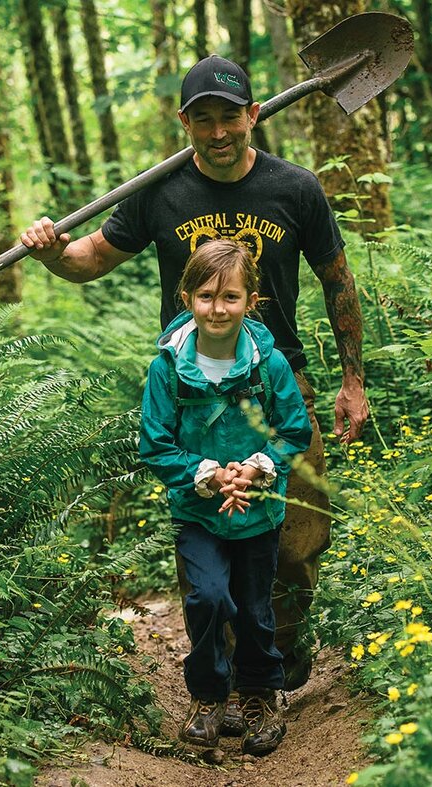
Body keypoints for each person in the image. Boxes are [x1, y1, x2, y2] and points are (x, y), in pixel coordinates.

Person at [19, 54, 369, 699]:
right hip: (194, 394)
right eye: (202, 119)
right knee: (210, 535)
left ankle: (285, 641)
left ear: (253, 115)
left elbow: (338, 280)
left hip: (279, 381)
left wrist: (353, 381)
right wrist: (49, 253)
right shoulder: (159, 191)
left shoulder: (295, 188)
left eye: (229, 118)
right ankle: (233, 673)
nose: (217, 133)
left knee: (295, 536)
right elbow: (89, 258)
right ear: (184, 122)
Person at [140, 238, 313, 754]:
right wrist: (210, 474)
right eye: (207, 296)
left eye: (231, 297)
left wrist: (255, 469)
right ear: (186, 297)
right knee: (209, 597)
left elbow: (293, 430)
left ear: (251, 301)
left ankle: (260, 696)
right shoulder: (167, 368)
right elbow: (156, 442)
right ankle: (211, 695)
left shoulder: (269, 364)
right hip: (198, 508)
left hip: (258, 506)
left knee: (256, 608)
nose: (218, 308)